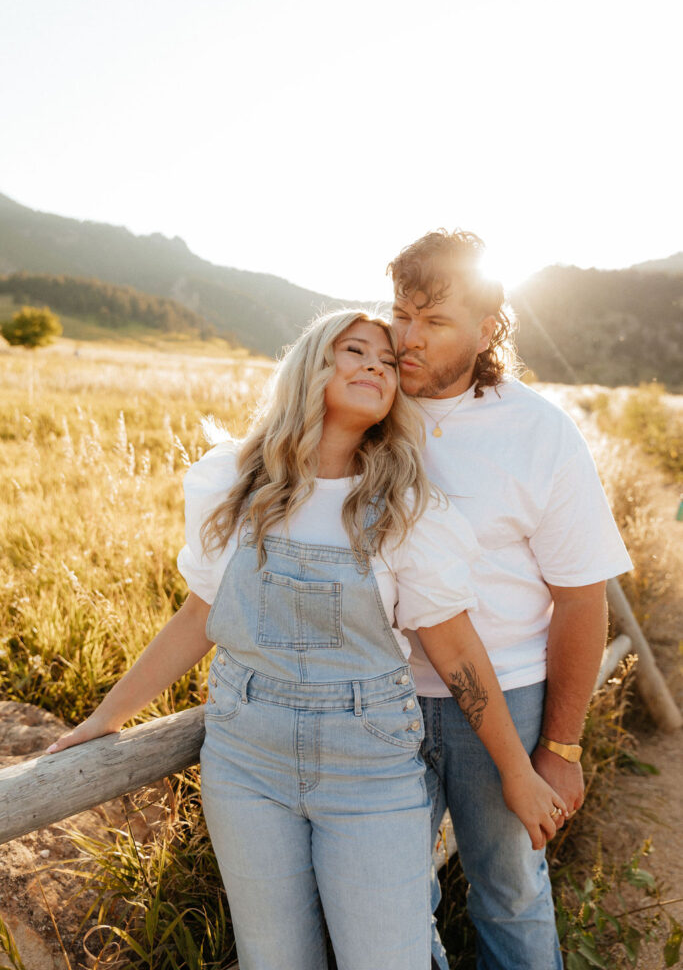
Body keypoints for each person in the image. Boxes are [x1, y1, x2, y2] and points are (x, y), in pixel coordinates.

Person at [47, 309, 567, 970]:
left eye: (385, 362)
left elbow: (457, 652)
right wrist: (102, 719)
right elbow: (196, 619)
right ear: (309, 368)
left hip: (369, 768)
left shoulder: (406, 511)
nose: (375, 366)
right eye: (354, 351)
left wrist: (516, 771)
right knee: (274, 959)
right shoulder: (232, 489)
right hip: (245, 761)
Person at [387, 230, 633, 970]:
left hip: (507, 699)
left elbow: (581, 598)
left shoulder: (539, 432)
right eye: (400, 314)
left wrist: (558, 749)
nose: (407, 338)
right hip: (379, 699)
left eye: (433, 322)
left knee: (510, 890)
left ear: (485, 329)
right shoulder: (365, 403)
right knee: (390, 897)